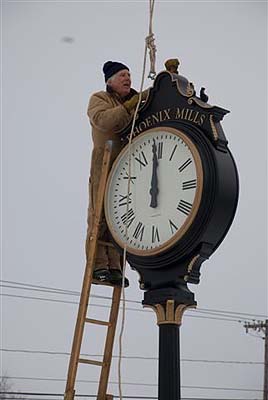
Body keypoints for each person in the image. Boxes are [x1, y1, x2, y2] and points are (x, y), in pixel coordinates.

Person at [86, 61, 147, 287]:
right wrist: (130, 106)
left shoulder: (137, 101)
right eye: (122, 75)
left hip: (128, 166)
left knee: (120, 217)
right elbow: (104, 120)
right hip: (105, 161)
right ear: (110, 80)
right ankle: (98, 266)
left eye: (129, 74)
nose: (127, 78)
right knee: (99, 215)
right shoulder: (99, 99)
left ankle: (116, 267)